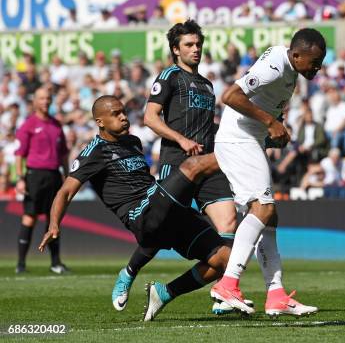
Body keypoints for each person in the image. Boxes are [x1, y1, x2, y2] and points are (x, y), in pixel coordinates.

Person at [38, 95, 230, 322]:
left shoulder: (133, 142)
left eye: (123, 112)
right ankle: (244, 150)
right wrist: (53, 224)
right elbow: (66, 191)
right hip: (139, 214)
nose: (123, 117)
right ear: (100, 122)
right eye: (115, 114)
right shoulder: (95, 151)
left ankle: (164, 293)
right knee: (192, 166)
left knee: (224, 260)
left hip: (159, 206)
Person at [110, 20, 240, 314]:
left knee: (230, 222)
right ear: (175, 49)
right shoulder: (169, 77)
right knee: (159, 232)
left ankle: (225, 290)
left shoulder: (207, 86)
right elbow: (150, 117)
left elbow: (207, 128)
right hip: (177, 165)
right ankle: (128, 273)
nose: (196, 49)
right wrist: (181, 140)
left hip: (207, 166)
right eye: (189, 45)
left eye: (198, 44)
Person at [211, 28, 326, 316]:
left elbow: (261, 102)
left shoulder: (288, 68)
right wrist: (269, 122)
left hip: (248, 139)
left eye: (320, 62)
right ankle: (228, 285)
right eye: (314, 62)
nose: (317, 68)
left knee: (268, 215)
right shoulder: (275, 68)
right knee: (262, 209)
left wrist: (272, 126)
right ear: (296, 54)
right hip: (237, 140)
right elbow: (230, 95)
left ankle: (275, 294)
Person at [15, 87, 69, 274]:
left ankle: (56, 263)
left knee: (53, 219)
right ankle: (21, 264)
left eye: (48, 98)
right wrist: (20, 179)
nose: (45, 101)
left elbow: (63, 153)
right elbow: (19, 155)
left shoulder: (56, 125)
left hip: (54, 175)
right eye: (42, 98)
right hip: (34, 176)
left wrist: (68, 175)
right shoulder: (28, 124)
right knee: (29, 218)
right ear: (35, 102)